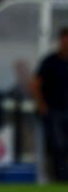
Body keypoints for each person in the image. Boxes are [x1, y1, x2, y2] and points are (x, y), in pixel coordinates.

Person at [31, 27, 68, 181]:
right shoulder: (50, 61)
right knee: (58, 145)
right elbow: (35, 83)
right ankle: (60, 177)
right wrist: (41, 105)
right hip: (54, 110)